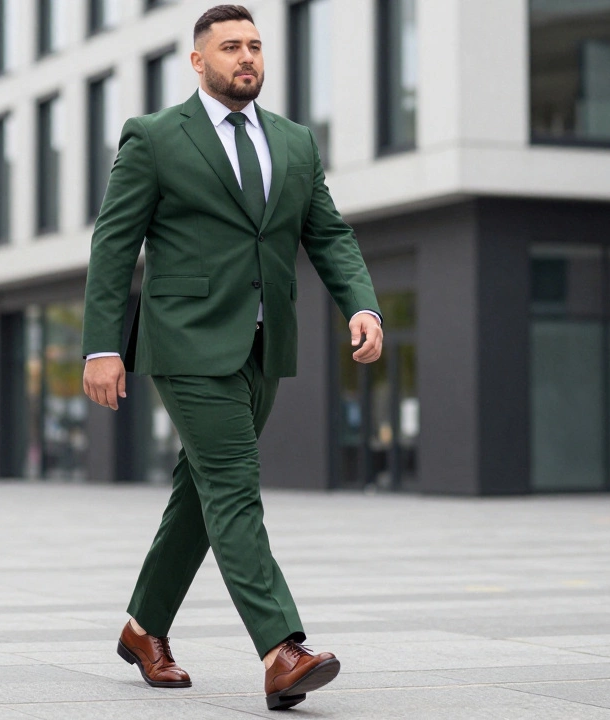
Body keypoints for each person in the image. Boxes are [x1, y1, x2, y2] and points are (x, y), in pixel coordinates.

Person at [81, 5, 383, 711]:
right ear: (198, 61)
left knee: (202, 490)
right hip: (185, 339)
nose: (246, 57)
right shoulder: (155, 138)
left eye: (253, 45)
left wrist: (362, 305)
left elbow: (329, 234)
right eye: (229, 47)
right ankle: (282, 650)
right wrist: (102, 347)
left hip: (262, 342)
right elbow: (114, 246)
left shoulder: (295, 142)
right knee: (234, 483)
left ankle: (143, 627)